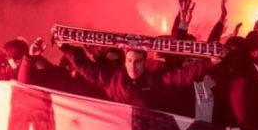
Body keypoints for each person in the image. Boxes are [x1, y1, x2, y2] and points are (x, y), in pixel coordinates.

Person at [61, 44, 211, 112]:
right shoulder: (111, 79)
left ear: (145, 63)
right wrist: (66, 48)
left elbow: (182, 76)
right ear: (125, 62)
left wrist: (210, 62)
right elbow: (85, 67)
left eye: (138, 61)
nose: (133, 66)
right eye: (130, 61)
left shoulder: (155, 81)